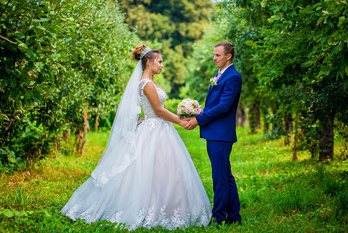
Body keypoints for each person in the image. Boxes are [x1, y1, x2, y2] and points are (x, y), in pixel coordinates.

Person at [61, 45, 212, 230]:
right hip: (155, 128)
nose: (162, 65)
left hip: (158, 127)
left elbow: (154, 109)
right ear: (148, 62)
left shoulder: (151, 82)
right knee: (150, 168)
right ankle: (148, 207)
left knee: (166, 169)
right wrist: (181, 122)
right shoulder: (146, 84)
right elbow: (158, 110)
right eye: (160, 61)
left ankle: (169, 204)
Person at [184, 41, 242, 225]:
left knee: (219, 178)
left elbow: (224, 107)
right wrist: (199, 111)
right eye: (214, 54)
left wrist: (198, 120)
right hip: (215, 132)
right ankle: (234, 217)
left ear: (228, 56)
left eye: (218, 55)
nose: (214, 58)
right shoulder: (219, 75)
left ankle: (218, 218)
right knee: (225, 176)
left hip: (221, 134)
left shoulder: (233, 76)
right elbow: (215, 103)